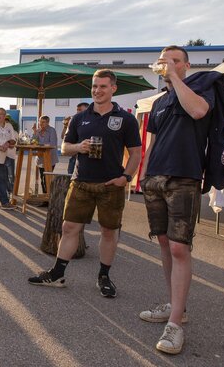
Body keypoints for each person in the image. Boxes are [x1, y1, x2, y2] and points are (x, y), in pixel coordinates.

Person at [138, 46, 224, 355]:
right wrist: (144, 175)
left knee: (179, 246)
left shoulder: (200, 89)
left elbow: (199, 112)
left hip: (184, 176)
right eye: (165, 61)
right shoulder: (160, 102)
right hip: (156, 178)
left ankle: (175, 325)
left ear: (186, 65)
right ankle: (178, 307)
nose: (168, 65)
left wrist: (175, 78)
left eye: (175, 60)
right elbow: (152, 141)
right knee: (164, 243)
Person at [28, 69, 141, 299]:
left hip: (111, 184)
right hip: (81, 182)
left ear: (113, 89)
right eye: (94, 86)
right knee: (70, 228)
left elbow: (136, 154)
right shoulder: (80, 118)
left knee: (109, 232)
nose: (97, 91)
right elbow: (64, 148)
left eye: (102, 86)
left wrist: (126, 177)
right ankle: (57, 274)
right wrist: (79, 147)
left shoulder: (126, 119)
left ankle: (104, 277)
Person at [32, 116, 58, 193]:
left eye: (43, 122)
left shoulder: (52, 130)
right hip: (40, 159)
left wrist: (39, 145)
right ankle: (45, 199)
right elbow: (33, 142)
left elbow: (52, 144)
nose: (41, 123)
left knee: (47, 179)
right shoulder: (38, 131)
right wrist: (34, 132)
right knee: (42, 179)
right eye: (40, 121)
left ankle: (49, 199)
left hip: (50, 158)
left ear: (47, 122)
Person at [64, 103, 90, 175]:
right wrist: (66, 126)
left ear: (87, 109)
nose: (77, 112)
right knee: (70, 177)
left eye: (80, 110)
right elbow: (64, 139)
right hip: (74, 156)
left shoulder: (91, 122)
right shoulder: (76, 120)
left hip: (85, 158)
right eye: (77, 110)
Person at [4, 117, 17, 193]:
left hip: (10, 156)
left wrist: (6, 143)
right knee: (3, 175)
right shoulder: (1, 132)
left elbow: (12, 145)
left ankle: (13, 191)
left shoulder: (14, 133)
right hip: (2, 156)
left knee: (11, 175)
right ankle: (7, 190)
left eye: (7, 123)